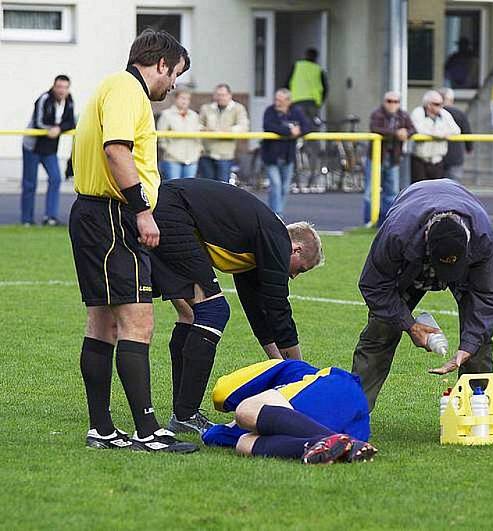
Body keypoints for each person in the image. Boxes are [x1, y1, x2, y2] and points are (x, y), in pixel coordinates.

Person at [68, 29, 195, 452]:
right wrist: (142, 210)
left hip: (96, 213)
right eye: (175, 74)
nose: (174, 84)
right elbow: (117, 150)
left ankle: (102, 429)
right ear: (161, 64)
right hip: (111, 215)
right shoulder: (128, 90)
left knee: (102, 322)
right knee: (137, 322)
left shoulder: (111, 86)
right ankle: (148, 432)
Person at [149, 178, 324, 434]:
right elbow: (278, 308)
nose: (295, 276)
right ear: (295, 249)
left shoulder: (256, 245)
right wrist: (299, 372)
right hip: (171, 212)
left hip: (166, 208)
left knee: (190, 315)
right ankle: (185, 414)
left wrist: (278, 364)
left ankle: (183, 414)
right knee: (214, 311)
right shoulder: (277, 239)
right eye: (301, 269)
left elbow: (257, 309)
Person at [352, 179, 493, 411]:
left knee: (479, 335)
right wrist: (409, 325)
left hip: (455, 227)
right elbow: (374, 286)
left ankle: (476, 412)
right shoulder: (397, 234)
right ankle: (354, 411)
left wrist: (469, 346)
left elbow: (487, 298)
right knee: (381, 329)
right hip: (412, 238)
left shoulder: (483, 238)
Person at [202, 359, 376, 464]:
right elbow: (213, 436)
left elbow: (222, 393)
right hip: (354, 425)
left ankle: (335, 440)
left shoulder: (296, 371)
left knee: (244, 411)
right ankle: (334, 444)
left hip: (336, 389)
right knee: (244, 444)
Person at [21, 74, 76, 226]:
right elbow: (39, 122)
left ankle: (50, 217)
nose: (61, 90)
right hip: (32, 146)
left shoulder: (69, 101)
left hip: (50, 149)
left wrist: (58, 128)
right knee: (30, 183)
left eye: (65, 87)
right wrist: (51, 129)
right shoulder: (44, 99)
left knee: (56, 178)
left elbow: (71, 122)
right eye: (59, 87)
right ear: (53, 86)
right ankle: (27, 219)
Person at [365, 91, 415, 226]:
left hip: (393, 158)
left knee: (392, 192)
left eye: (395, 101)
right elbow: (375, 128)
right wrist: (397, 133)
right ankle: (369, 222)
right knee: (371, 191)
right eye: (389, 101)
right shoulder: (377, 114)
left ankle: (387, 222)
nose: (392, 104)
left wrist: (406, 133)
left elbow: (413, 129)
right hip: (376, 158)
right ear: (384, 102)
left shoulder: (403, 115)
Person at [261, 88, 309, 217]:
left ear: (288, 101)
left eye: (280, 100)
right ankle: (278, 216)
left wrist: (299, 131)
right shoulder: (270, 111)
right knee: (275, 185)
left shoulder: (296, 112)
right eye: (276, 99)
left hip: (288, 156)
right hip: (271, 156)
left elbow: (307, 127)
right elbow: (268, 126)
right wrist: (289, 131)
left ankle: (271, 214)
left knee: (284, 188)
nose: (277, 103)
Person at [287, 48, 327, 189]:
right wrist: (319, 102)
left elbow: (287, 83)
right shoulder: (318, 69)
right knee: (312, 138)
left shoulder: (297, 66)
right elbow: (325, 89)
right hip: (312, 105)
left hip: (297, 103)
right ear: (316, 57)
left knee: (293, 134)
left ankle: (294, 175)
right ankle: (312, 174)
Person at [198, 84, 249, 182]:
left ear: (230, 95)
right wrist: (206, 130)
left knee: (222, 187)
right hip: (206, 153)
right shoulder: (206, 108)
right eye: (218, 95)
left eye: (223, 95)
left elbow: (243, 127)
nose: (220, 97)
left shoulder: (238, 108)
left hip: (225, 155)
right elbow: (198, 125)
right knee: (206, 187)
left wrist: (224, 131)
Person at [409, 91, 460, 182]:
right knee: (420, 191)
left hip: (437, 160)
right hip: (420, 159)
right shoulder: (418, 112)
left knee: (436, 191)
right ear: (428, 105)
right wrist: (440, 134)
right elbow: (418, 129)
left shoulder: (444, 114)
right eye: (437, 104)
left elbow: (456, 130)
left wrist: (437, 133)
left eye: (441, 104)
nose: (440, 106)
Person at [157, 87, 202, 179]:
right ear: (176, 99)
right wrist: (168, 150)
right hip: (172, 159)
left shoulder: (194, 115)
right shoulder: (166, 115)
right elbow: (161, 138)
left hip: (192, 158)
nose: (185, 101)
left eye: (187, 99)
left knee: (189, 188)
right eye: (182, 98)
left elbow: (199, 134)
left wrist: (198, 150)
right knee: (174, 187)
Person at [438, 87, 473, 181]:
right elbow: (467, 133)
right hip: (455, 157)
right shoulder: (459, 114)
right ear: (451, 100)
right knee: (453, 189)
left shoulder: (433, 113)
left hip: (436, 157)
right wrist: (469, 148)